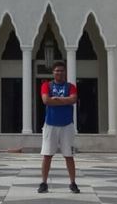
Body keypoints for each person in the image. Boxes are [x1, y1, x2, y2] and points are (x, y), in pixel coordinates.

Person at [38, 61, 80, 194]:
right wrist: (64, 100)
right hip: (50, 124)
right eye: (57, 70)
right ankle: (44, 183)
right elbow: (46, 100)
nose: (59, 73)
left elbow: (73, 99)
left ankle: (73, 183)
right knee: (47, 155)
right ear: (53, 72)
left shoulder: (71, 86)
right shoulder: (46, 85)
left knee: (69, 155)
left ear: (65, 72)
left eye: (61, 70)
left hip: (67, 125)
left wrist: (56, 99)